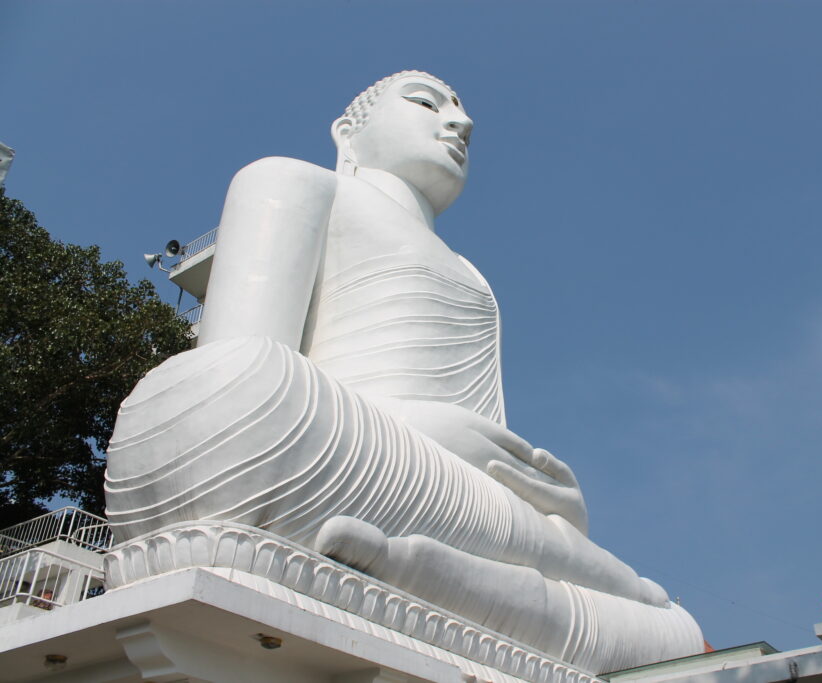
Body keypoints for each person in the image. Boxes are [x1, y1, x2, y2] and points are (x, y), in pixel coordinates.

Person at [105, 71, 702, 672]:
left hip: (444, 490)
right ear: (348, 132)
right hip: (334, 445)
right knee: (238, 387)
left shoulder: (473, 274)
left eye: (464, 115)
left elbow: (483, 453)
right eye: (426, 103)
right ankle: (533, 578)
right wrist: (417, 426)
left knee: (674, 629)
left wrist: (558, 506)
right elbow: (232, 367)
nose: (460, 123)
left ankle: (433, 564)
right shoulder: (294, 182)